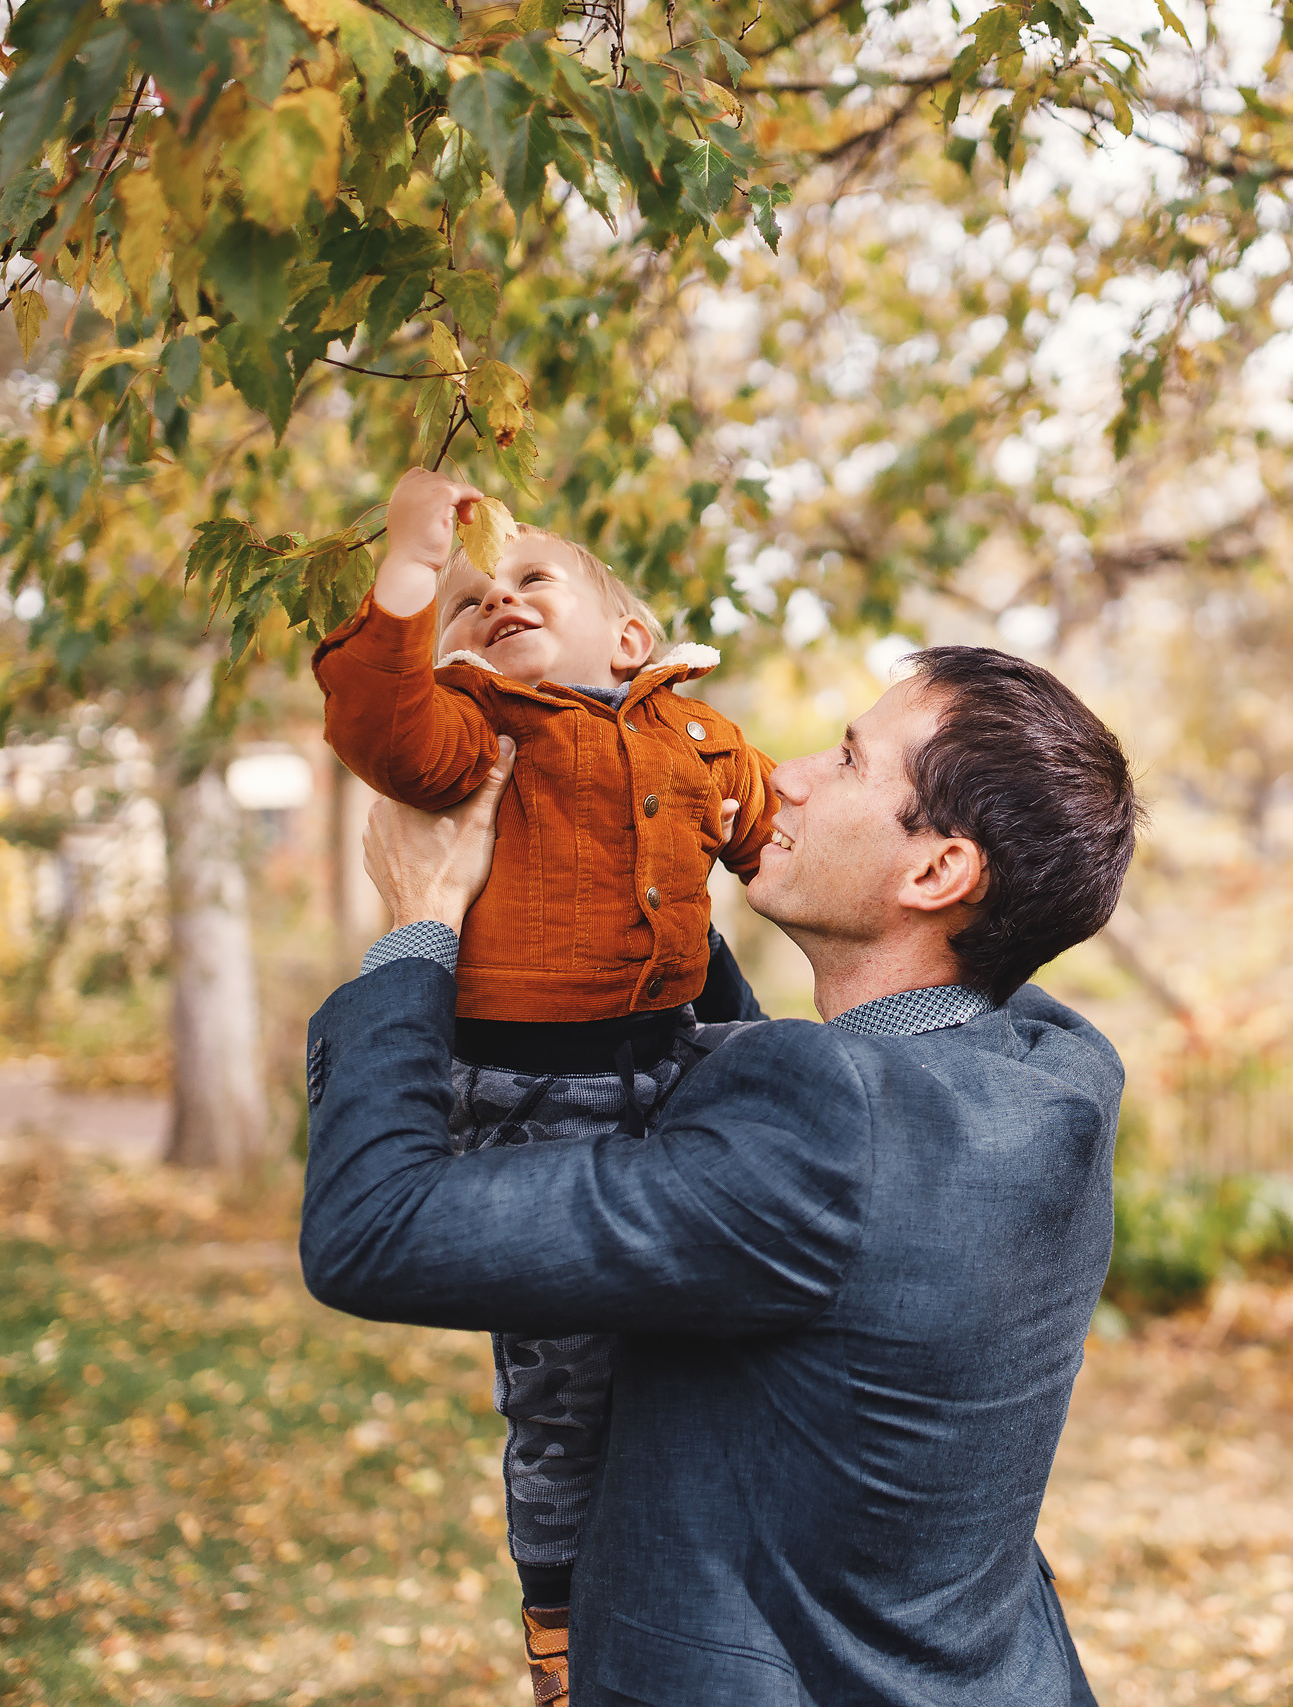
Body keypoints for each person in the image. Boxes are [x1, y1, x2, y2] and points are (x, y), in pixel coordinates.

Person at [301, 645, 1140, 1706]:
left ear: (936, 873)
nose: (783, 773)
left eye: (844, 760)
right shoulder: (1051, 1066)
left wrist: (418, 931)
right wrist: (628, 840)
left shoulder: (826, 1136)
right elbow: (785, 1121)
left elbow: (374, 1230)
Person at [312, 467, 777, 1694]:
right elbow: (383, 728)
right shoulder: (483, 734)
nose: (496, 600)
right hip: (531, 1099)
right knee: (564, 1383)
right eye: (474, 601)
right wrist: (413, 573)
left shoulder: (688, 730)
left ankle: (721, 1562)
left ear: (631, 639)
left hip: (676, 1059)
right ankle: (562, 1619)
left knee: (709, 1328)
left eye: (531, 579)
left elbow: (767, 822)